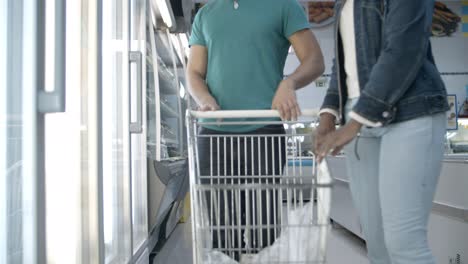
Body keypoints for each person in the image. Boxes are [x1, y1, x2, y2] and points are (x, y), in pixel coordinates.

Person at [187, 0, 324, 259]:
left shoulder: (283, 7)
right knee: (221, 230)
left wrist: (289, 83)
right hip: (214, 133)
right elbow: (194, 72)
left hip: (263, 129)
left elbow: (315, 60)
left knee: (264, 227)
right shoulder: (206, 15)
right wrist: (205, 99)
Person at [314, 0, 449, 263]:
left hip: (409, 112)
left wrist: (353, 124)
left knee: (404, 244)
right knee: (376, 243)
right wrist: (328, 114)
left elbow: (403, 49)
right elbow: (342, 66)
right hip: (359, 115)